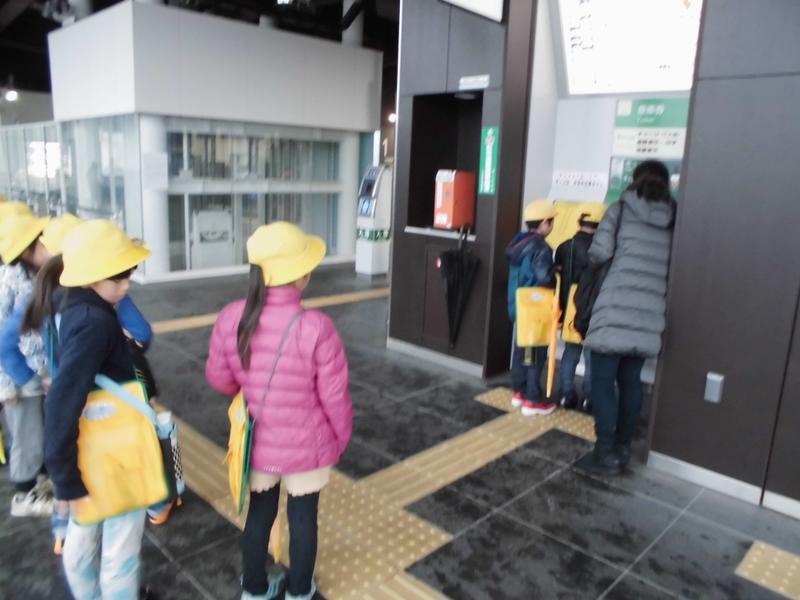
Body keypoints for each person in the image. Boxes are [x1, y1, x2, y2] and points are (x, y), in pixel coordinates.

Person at [206, 221, 352, 600]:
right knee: (303, 519)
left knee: (259, 515)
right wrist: (339, 438)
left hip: (257, 441)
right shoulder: (317, 327)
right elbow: (335, 396)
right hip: (308, 445)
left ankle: (254, 589)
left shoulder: (232, 318)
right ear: (301, 276)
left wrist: (250, 389)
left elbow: (220, 379)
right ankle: (299, 591)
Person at [43, 219, 151, 599]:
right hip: (114, 454)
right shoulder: (95, 322)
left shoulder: (74, 306)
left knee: (83, 536)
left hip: (91, 448)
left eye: (129, 273)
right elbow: (61, 400)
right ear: (91, 277)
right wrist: (64, 476)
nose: (127, 284)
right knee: (120, 552)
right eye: (119, 277)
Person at [583, 160, 676, 473]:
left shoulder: (620, 210)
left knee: (602, 384)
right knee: (631, 383)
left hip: (614, 307)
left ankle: (604, 452)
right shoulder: (674, 217)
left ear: (635, 180)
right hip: (650, 313)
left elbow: (599, 253)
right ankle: (622, 448)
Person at [0, 211, 54, 517]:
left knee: (39, 430)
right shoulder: (8, 280)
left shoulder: (36, 274)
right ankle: (23, 495)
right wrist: (6, 384)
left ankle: (39, 484)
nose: (48, 246)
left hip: (37, 371)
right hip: (17, 376)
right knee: (25, 435)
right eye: (41, 242)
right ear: (25, 250)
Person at [506, 200, 558, 417]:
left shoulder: (518, 242)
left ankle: (519, 392)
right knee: (535, 353)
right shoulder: (541, 248)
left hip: (518, 304)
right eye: (551, 222)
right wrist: (556, 273)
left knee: (521, 348)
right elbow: (544, 278)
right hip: (535, 308)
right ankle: (532, 400)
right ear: (544, 222)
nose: (552, 226)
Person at [553, 203, 606, 412]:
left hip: (571, 309)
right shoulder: (604, 251)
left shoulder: (565, 247)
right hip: (595, 307)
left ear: (578, 221)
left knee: (570, 353)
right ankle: (589, 399)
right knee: (592, 357)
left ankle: (566, 394)